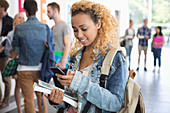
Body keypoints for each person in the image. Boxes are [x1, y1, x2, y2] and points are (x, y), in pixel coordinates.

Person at [46, 1, 129, 113]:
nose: (79, 35)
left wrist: (80, 83)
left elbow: (116, 103)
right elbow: (73, 99)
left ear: (98, 24)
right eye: (75, 30)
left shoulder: (115, 58)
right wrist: (58, 100)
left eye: (84, 28)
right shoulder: (75, 57)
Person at [11, 1, 48, 113]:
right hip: (41, 70)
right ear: (37, 10)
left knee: (28, 100)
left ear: (25, 11)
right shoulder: (45, 28)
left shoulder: (19, 28)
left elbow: (15, 52)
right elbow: (49, 48)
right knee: (41, 98)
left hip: (24, 70)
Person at [0, 0, 13, 109]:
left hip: (4, 55)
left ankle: (6, 100)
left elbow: (10, 39)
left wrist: (2, 48)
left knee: (6, 78)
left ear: (2, 8)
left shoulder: (10, 21)